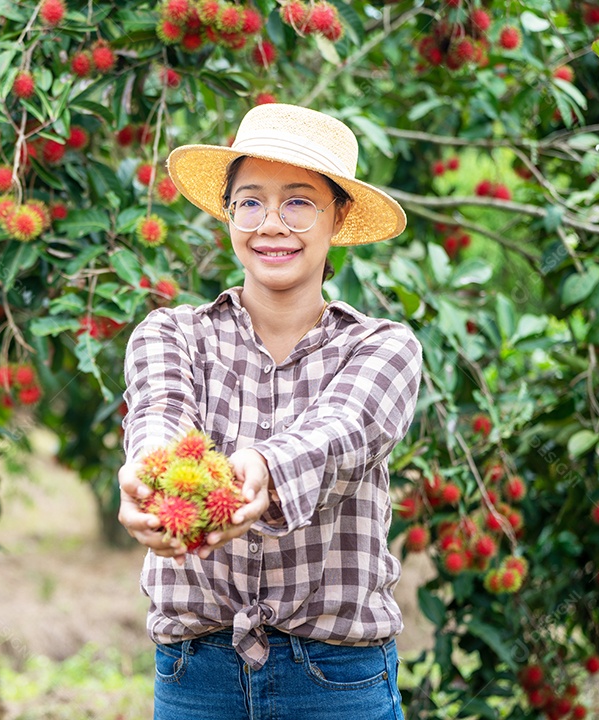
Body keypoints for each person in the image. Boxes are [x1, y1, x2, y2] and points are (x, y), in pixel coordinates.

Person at [117, 103, 423, 720]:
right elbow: (161, 409)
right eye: (250, 202)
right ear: (228, 214)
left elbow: (341, 431)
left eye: (300, 202)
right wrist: (149, 473)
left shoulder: (384, 347)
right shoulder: (171, 333)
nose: (271, 225)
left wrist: (259, 467)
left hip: (337, 680)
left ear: (338, 216)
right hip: (195, 676)